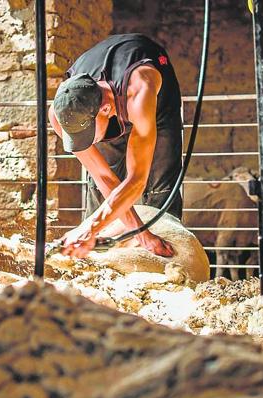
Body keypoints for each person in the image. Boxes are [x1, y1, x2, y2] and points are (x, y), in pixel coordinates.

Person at [49, 34, 183, 258]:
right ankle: (94, 261)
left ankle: (167, 266)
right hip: (108, 98)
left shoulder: (140, 90)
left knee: (160, 184)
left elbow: (136, 180)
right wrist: (140, 234)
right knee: (101, 192)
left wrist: (89, 228)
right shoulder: (60, 112)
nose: (87, 142)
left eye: (87, 134)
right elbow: (105, 178)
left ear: (104, 110)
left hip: (157, 106)